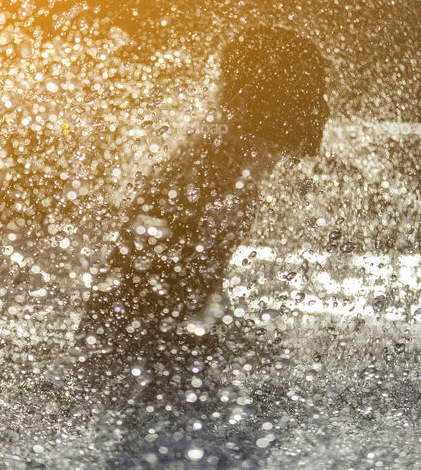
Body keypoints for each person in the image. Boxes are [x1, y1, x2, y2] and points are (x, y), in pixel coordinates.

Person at [76, 27, 330, 360]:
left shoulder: (220, 164)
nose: (324, 111)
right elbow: (160, 321)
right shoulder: (211, 180)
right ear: (277, 100)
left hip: (133, 361)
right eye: (315, 92)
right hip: (139, 374)